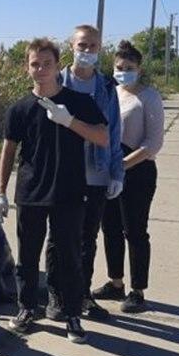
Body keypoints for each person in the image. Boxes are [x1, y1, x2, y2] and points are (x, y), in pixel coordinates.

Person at [0, 38, 108, 344]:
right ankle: (26, 308)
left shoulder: (78, 102)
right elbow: (7, 151)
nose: (41, 69)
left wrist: (69, 120)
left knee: (69, 256)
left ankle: (72, 315)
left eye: (46, 63)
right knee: (27, 256)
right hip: (31, 192)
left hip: (69, 192)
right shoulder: (19, 108)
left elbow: (102, 137)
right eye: (35, 64)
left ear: (57, 66)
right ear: (27, 67)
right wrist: (0, 191)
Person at [45, 24, 124, 321]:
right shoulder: (56, 81)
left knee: (87, 238)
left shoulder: (105, 88)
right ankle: (55, 294)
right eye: (82, 45)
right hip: (62, 173)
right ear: (71, 46)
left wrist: (117, 172)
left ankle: (82, 295)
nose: (87, 51)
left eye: (92, 46)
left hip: (96, 173)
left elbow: (114, 131)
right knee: (57, 236)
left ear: (99, 49)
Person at [92, 40, 164, 313]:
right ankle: (116, 281)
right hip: (109, 169)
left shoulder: (149, 96)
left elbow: (153, 143)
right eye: (119, 67)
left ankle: (137, 290)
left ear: (139, 68)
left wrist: (122, 164)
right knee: (109, 228)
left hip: (137, 170)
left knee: (134, 230)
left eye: (129, 67)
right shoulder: (111, 93)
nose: (123, 72)